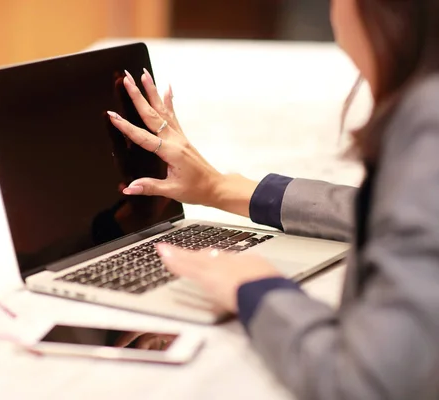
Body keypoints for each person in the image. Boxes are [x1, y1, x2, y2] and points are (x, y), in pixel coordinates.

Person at [106, 0, 439, 398]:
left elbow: (366, 383)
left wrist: (253, 286)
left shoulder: (428, 124)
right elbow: (399, 210)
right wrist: (221, 188)